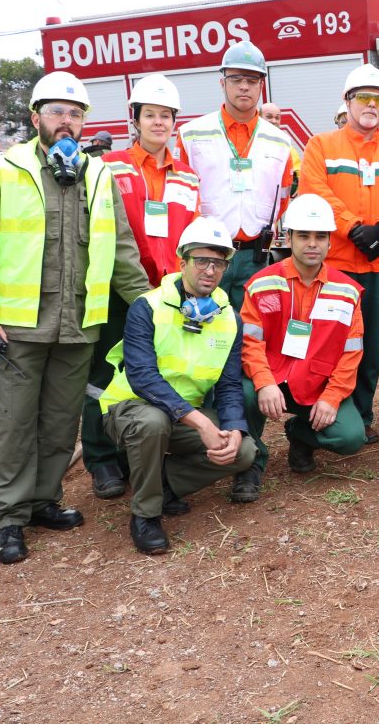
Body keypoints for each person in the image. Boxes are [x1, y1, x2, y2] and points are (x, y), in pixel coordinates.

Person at [0, 70, 150, 565]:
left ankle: (42, 501)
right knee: (13, 423)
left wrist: (151, 306)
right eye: (58, 112)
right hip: (17, 328)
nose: (67, 121)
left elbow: (123, 251)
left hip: (78, 327)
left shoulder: (100, 175)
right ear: (35, 116)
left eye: (76, 113)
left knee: (61, 424)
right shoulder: (6, 169)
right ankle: (8, 517)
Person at [99, 218, 256, 555]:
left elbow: (229, 385)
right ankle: (146, 515)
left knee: (243, 453)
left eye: (219, 263)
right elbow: (142, 377)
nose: (210, 270)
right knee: (152, 422)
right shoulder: (147, 306)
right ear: (182, 263)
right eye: (202, 261)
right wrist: (200, 422)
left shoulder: (229, 318)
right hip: (131, 407)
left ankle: (164, 484)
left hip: (183, 416)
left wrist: (232, 429)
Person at [82, 74, 200, 500]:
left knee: (158, 374)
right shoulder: (108, 166)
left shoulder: (187, 177)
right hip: (119, 293)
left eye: (166, 115)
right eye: (150, 114)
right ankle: (101, 461)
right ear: (135, 119)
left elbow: (189, 237)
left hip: (169, 296)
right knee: (105, 376)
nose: (158, 123)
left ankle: (144, 454)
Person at [297, 63, 379, 445]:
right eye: (363, 98)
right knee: (328, 342)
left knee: (368, 347)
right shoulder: (321, 145)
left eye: (378, 98)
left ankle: (362, 414)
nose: (371, 105)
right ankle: (318, 412)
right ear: (347, 102)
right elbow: (314, 188)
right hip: (336, 265)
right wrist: (353, 227)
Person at [234, 195, 366, 501]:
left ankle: (300, 436)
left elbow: (351, 353)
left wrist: (332, 398)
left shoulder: (347, 291)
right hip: (271, 381)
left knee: (350, 437)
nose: (312, 244)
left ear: (330, 243)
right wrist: (264, 383)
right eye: (303, 235)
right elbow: (251, 343)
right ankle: (250, 465)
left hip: (315, 384)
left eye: (320, 237)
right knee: (243, 393)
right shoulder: (262, 283)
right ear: (288, 238)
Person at [176, 41, 294, 308]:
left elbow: (283, 197)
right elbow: (181, 197)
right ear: (222, 83)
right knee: (202, 330)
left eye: (252, 80)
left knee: (250, 334)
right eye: (236, 78)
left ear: (261, 86)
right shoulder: (192, 134)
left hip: (255, 255)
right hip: (206, 254)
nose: (244, 86)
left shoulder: (279, 141)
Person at [260, 101, 303, 181]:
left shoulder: (287, 147)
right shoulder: (251, 142)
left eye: (277, 118)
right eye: (269, 117)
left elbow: (298, 174)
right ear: (259, 118)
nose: (274, 121)